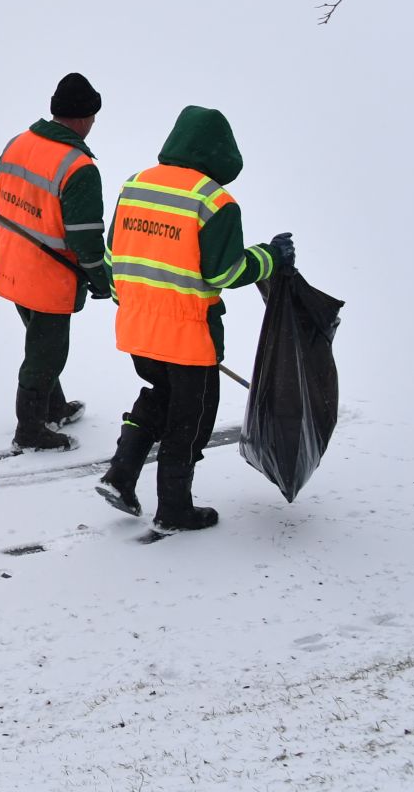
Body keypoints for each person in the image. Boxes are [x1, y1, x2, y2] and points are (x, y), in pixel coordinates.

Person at [95, 106, 295, 531]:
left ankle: (121, 474)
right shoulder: (214, 200)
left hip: (137, 327)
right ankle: (174, 508)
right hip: (189, 338)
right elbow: (225, 272)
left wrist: (128, 302)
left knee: (158, 396)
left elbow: (113, 256)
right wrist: (270, 258)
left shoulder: (135, 184)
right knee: (191, 420)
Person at [0, 73, 114, 453]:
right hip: (49, 278)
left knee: (41, 343)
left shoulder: (19, 143)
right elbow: (86, 238)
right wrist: (102, 279)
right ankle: (31, 430)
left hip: (13, 266)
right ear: (84, 118)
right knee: (46, 353)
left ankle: (52, 407)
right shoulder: (78, 167)